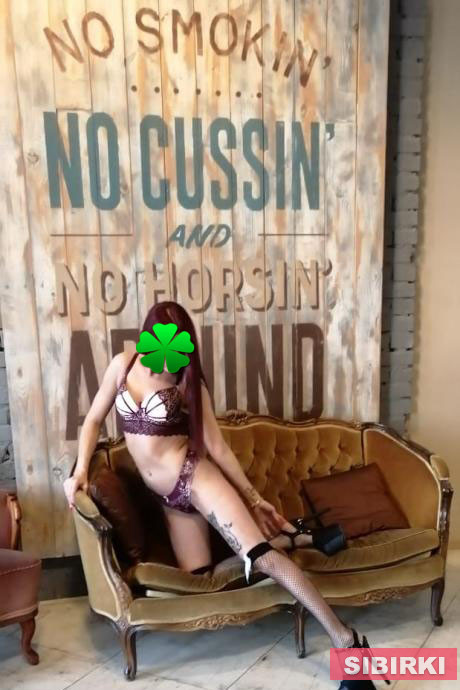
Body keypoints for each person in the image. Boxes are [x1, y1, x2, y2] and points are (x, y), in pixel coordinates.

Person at [63, 300, 382, 690]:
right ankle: (302, 536)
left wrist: (254, 499)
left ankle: (347, 643)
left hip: (195, 477)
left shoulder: (188, 382)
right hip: (169, 500)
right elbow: (93, 420)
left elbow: (217, 448)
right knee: (200, 575)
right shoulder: (123, 365)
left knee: (262, 558)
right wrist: (80, 472)